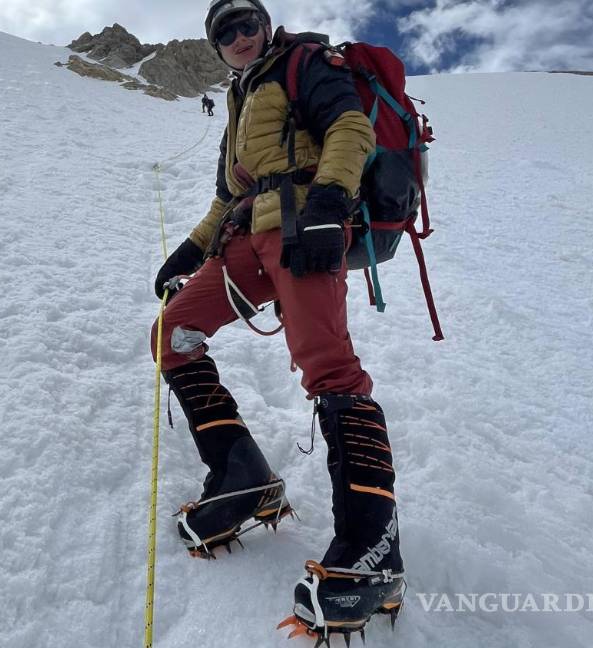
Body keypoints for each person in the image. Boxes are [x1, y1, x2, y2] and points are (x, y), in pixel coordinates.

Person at [150, 0, 405, 636]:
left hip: (303, 230)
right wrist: (187, 252)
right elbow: (229, 197)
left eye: (246, 24)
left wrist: (329, 201)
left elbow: (351, 128)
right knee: (173, 335)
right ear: (215, 46)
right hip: (247, 238)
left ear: (264, 25)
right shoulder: (239, 101)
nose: (237, 37)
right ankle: (242, 478)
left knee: (330, 369)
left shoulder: (302, 62)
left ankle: (374, 552)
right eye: (223, 32)